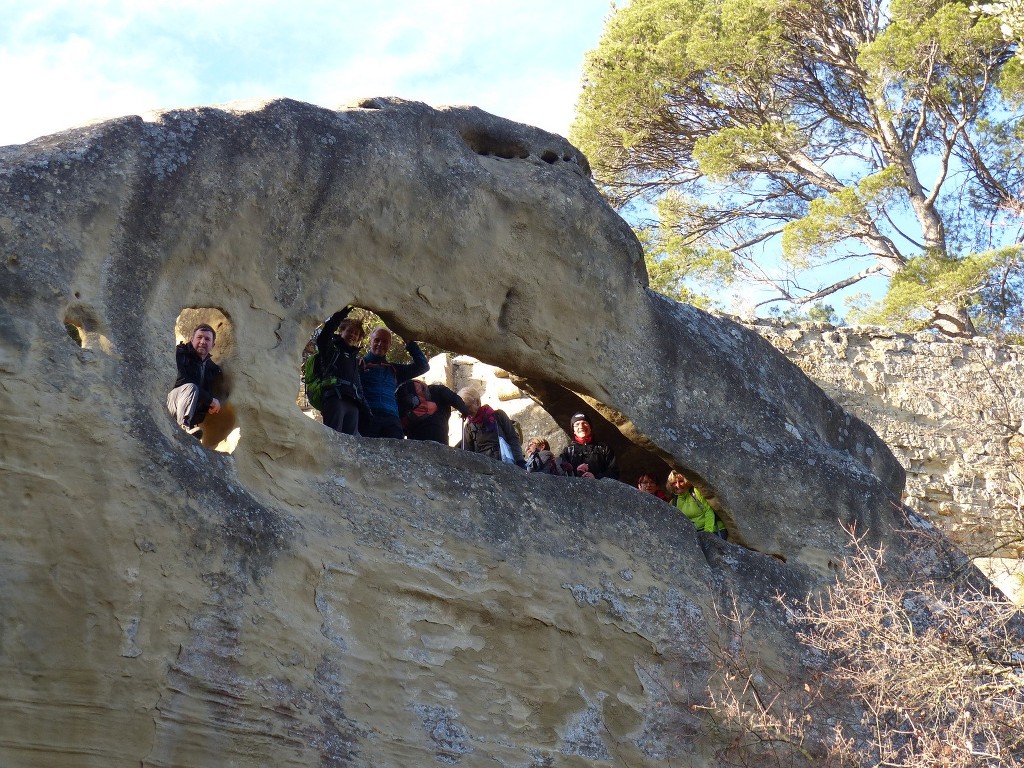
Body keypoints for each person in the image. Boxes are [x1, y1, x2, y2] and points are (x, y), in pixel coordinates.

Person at [358, 327, 429, 438]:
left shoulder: (394, 369)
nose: (380, 344)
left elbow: (423, 366)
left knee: (395, 454)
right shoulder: (359, 364)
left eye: (385, 341)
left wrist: (409, 342)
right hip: (367, 417)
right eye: (377, 340)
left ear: (389, 345)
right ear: (370, 341)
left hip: (391, 420)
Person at [315, 307, 369, 436]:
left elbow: (359, 386)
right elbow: (323, 338)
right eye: (349, 331)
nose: (353, 335)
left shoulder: (355, 359)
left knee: (351, 444)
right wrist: (339, 316)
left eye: (356, 334)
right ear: (341, 332)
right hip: (335, 398)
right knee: (333, 438)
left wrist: (367, 410)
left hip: (353, 403)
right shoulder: (332, 350)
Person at [167, 323, 222, 438]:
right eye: (199, 337)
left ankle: (188, 427)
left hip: (190, 413)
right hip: (172, 402)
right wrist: (210, 400)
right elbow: (181, 380)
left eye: (207, 339)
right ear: (192, 339)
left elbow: (202, 392)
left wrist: (209, 406)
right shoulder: (180, 354)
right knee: (190, 387)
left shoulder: (211, 369)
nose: (203, 341)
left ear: (213, 345)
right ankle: (183, 427)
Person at [458, 387, 526, 467]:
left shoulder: (499, 416)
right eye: (463, 409)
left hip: (504, 462)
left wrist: (520, 461)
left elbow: (513, 438)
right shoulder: (469, 427)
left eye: (468, 406)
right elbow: (467, 452)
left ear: (477, 402)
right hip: (483, 467)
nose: (466, 411)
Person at [399, 379, 471, 444]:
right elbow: (453, 398)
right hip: (437, 431)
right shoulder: (438, 389)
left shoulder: (406, 398)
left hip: (415, 437)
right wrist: (464, 410)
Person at [667, 469, 727, 539]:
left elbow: (708, 511)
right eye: (674, 483)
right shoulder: (673, 502)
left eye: (681, 481)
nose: (677, 485)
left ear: (686, 481)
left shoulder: (695, 492)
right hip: (695, 534)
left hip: (715, 530)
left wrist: (707, 533)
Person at [559, 413, 619, 480]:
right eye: (577, 424)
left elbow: (614, 472)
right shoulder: (567, 452)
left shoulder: (604, 448)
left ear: (590, 427)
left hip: (602, 489)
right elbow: (561, 476)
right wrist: (576, 472)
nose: (581, 426)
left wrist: (596, 478)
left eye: (584, 423)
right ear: (574, 431)